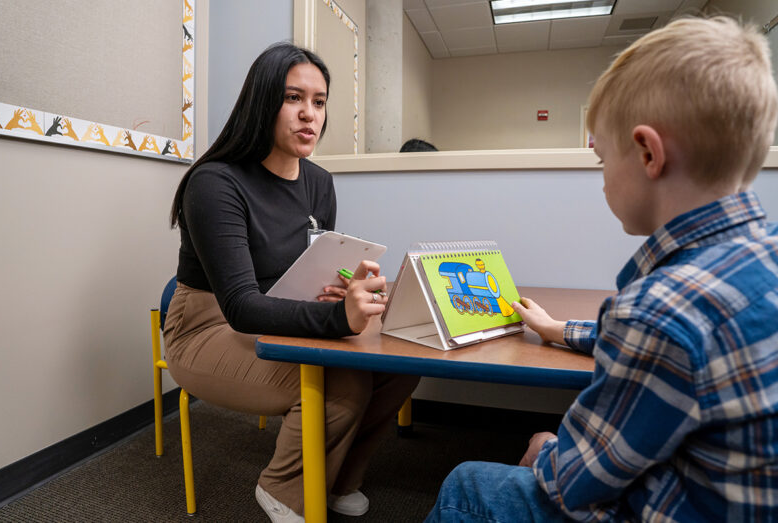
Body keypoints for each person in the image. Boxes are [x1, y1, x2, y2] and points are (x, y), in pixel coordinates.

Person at [426, 16, 778, 522]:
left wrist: (546, 448)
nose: (604, 178)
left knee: (469, 484)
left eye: (602, 159)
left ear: (648, 153)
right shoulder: (755, 260)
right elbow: (659, 345)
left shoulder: (659, 311)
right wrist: (557, 329)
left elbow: (574, 481)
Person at [164, 42, 419, 522]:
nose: (310, 115)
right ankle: (285, 490)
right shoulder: (215, 183)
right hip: (206, 327)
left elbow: (312, 267)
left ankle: (339, 477)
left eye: (319, 102)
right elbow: (240, 305)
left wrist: (343, 291)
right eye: (293, 98)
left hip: (276, 312)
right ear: (263, 102)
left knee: (400, 361)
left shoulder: (319, 182)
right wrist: (335, 317)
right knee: (341, 380)